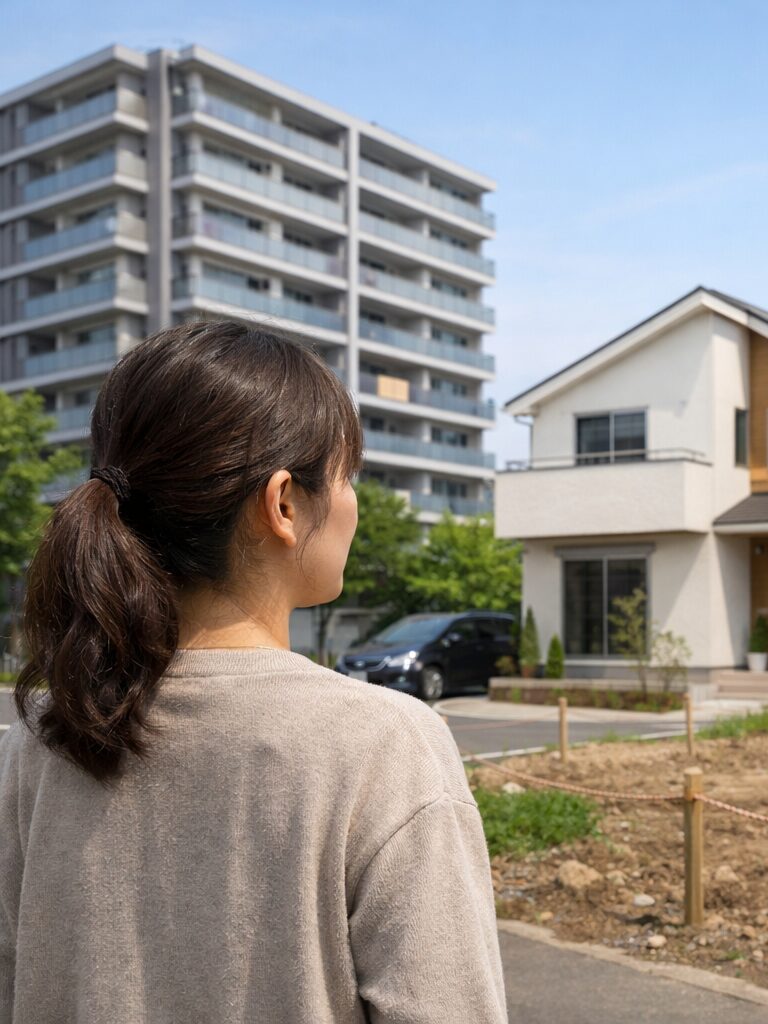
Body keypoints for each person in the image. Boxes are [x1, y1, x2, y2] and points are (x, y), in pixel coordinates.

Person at [0, 321, 507, 1023]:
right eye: (347, 476)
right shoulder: (384, 745)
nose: (354, 504)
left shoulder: (34, 743)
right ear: (285, 504)